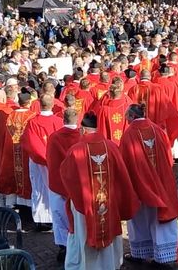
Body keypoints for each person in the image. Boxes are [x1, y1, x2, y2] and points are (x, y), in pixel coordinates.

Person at [59, 111, 140, 270]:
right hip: (108, 201)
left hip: (85, 205)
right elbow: (122, 175)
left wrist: (76, 199)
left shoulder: (76, 150)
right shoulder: (111, 147)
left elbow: (67, 177)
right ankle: (111, 264)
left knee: (84, 234)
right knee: (109, 232)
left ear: (82, 129)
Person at [120, 104, 178, 265]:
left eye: (127, 116)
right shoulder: (158, 130)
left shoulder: (129, 134)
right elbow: (169, 156)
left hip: (140, 184)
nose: (126, 120)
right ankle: (164, 255)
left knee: (140, 219)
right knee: (158, 218)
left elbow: (125, 161)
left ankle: (140, 253)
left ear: (132, 116)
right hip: (161, 181)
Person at [22, 94, 62, 229]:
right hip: (54, 161)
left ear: (39, 104)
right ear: (52, 105)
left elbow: (28, 142)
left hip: (37, 160)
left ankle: (40, 220)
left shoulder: (32, 122)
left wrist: (40, 155)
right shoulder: (58, 122)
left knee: (38, 188)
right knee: (54, 189)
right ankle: (54, 218)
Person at [46, 108, 81, 262]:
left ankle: (64, 247)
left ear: (63, 120)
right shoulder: (83, 136)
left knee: (60, 216)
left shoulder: (54, 138)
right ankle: (79, 245)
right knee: (78, 217)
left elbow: (51, 161)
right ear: (77, 120)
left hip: (59, 183)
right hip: (78, 184)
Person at [0, 93, 34, 209]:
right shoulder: (32, 115)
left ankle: (12, 202)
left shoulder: (11, 115)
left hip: (11, 150)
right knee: (27, 176)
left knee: (12, 174)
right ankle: (28, 205)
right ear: (28, 103)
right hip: (25, 151)